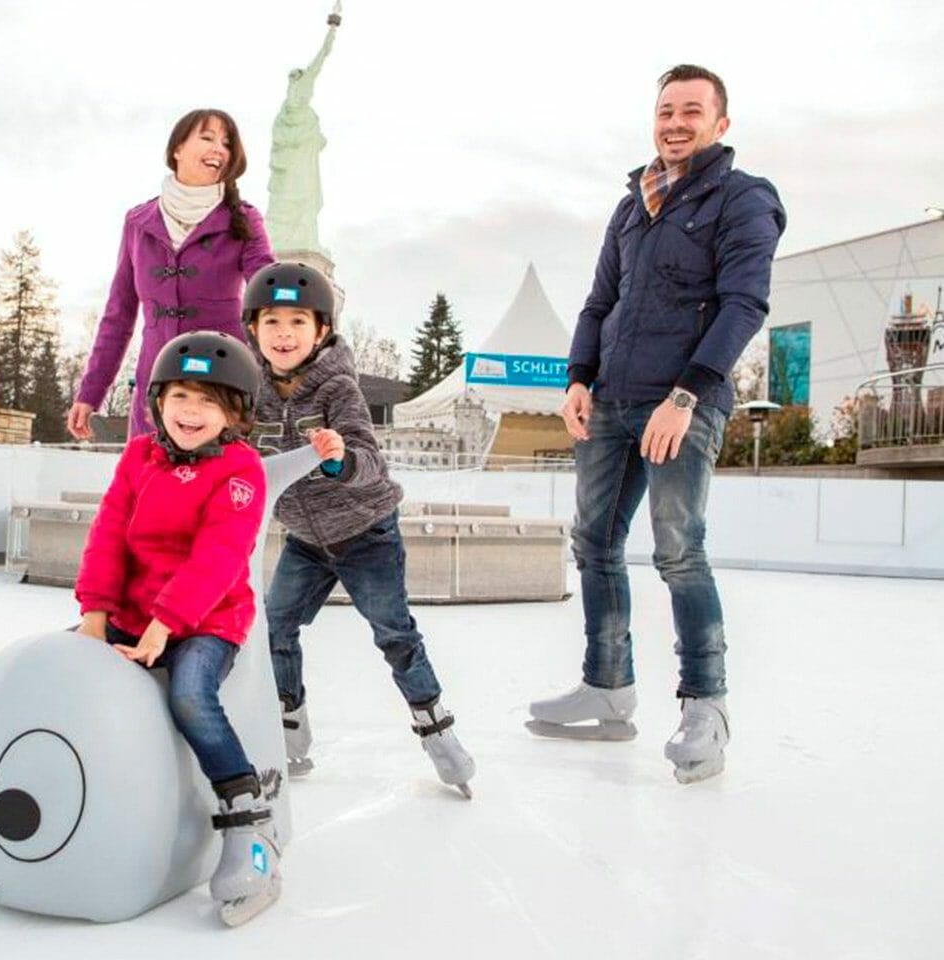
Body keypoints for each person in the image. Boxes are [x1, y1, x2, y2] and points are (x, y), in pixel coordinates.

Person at [527, 65, 786, 784]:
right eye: (666, 109)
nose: (675, 122)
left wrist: (688, 396)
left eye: (692, 111)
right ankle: (607, 689)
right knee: (595, 544)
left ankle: (707, 704)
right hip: (610, 400)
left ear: (720, 123)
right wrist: (578, 377)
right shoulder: (633, 204)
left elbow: (743, 304)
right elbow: (598, 302)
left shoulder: (743, 199)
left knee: (678, 550)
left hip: (680, 401)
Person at [243, 261, 476, 799]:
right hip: (304, 539)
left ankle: (437, 732)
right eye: (272, 322)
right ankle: (290, 731)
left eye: (298, 322)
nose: (284, 334)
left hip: (366, 532)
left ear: (321, 331)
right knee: (274, 627)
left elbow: (369, 457)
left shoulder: (338, 387)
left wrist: (341, 459)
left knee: (394, 634)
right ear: (253, 329)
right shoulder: (252, 391)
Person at [73, 331, 280, 925]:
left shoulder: (242, 470)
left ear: (234, 414)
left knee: (190, 695)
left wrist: (165, 627)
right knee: (72, 671)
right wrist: (95, 615)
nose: (192, 412)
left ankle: (249, 822)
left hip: (208, 618)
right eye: (182, 395)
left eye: (209, 401)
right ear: (158, 399)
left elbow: (218, 557)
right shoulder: (139, 456)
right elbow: (109, 534)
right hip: (133, 611)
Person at [67, 109, 275, 440]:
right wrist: (90, 392)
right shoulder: (138, 222)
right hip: (156, 389)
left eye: (227, 143)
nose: (219, 149)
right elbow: (118, 316)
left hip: (222, 389)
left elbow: (268, 292)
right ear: (177, 148)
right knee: (148, 487)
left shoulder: (244, 219)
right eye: (207, 137)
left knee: (216, 488)